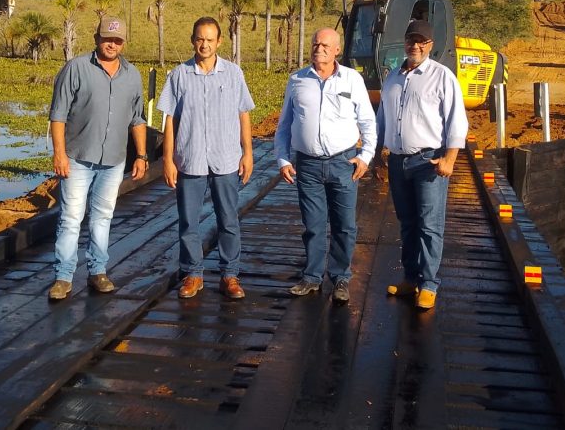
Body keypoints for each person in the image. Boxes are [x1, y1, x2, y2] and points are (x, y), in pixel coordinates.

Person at [48, 15, 148, 300]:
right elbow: (58, 115)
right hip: (78, 157)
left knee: (102, 218)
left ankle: (97, 271)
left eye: (117, 40)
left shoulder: (133, 75)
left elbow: (137, 119)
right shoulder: (76, 68)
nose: (112, 44)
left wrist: (141, 155)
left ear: (123, 42)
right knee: (70, 218)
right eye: (107, 39)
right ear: (96, 39)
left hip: (114, 160)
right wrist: (59, 154)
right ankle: (63, 277)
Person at [274, 28, 377, 304]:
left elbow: (368, 121)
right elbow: (284, 125)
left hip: (343, 162)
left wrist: (366, 156)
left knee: (344, 225)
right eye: (315, 43)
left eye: (325, 45)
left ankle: (341, 277)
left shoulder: (352, 80)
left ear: (337, 50)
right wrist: (283, 158)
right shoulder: (296, 80)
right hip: (306, 165)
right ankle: (312, 277)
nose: (318, 48)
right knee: (313, 225)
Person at [157, 17, 255, 300]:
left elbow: (243, 114)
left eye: (210, 40)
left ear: (219, 42)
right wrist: (167, 159)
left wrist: (247, 153)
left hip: (226, 158)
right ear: (192, 40)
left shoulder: (234, 74)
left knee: (228, 219)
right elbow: (170, 120)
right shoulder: (178, 75)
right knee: (188, 221)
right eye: (200, 39)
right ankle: (193, 274)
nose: (205, 44)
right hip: (190, 159)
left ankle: (230, 274)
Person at [375, 19, 469, 310]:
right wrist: (378, 153)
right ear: (404, 42)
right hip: (398, 161)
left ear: (430, 45)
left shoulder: (442, 77)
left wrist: (450, 159)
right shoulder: (392, 77)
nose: (415, 45)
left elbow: (457, 120)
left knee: (430, 225)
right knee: (407, 223)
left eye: (421, 41)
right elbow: (382, 118)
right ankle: (411, 277)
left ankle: (429, 284)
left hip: (429, 162)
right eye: (410, 40)